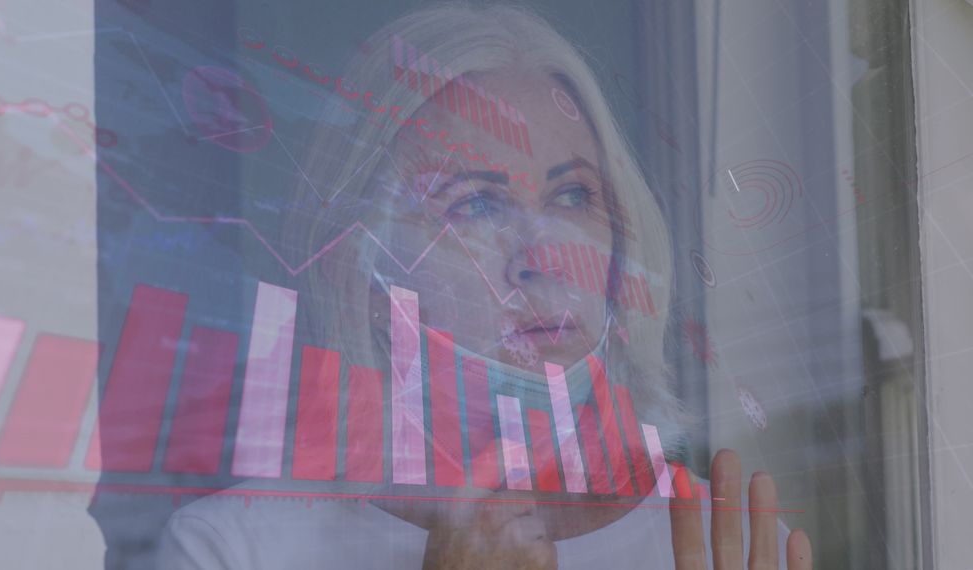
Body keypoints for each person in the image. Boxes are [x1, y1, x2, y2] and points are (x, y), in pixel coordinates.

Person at [158, 3, 813, 568]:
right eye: (474, 205)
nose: (547, 257)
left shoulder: (730, 545)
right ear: (363, 274)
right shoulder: (236, 551)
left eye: (574, 194)